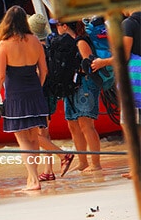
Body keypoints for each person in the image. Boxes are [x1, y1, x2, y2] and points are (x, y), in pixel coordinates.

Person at [0, 6, 49, 191]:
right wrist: (37, 86)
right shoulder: (35, 40)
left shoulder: (4, 44)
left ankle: (33, 180)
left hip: (15, 94)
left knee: (22, 139)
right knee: (33, 137)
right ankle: (33, 178)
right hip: (34, 91)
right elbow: (44, 70)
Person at [91, 10, 141, 179]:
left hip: (134, 77)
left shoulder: (129, 24)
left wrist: (102, 62)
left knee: (129, 125)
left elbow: (123, 55)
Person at [27, 13, 74, 180]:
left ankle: (62, 155)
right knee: (44, 132)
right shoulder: (49, 44)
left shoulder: (34, 47)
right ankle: (48, 171)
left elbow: (40, 72)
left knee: (31, 133)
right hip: (51, 93)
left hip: (40, 94)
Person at [55, 19, 103, 173]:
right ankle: (83, 161)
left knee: (86, 124)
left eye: (57, 25)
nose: (55, 28)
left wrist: (77, 70)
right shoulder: (69, 42)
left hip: (85, 85)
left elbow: (90, 64)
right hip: (72, 86)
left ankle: (95, 163)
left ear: (64, 26)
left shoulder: (81, 41)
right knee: (73, 124)